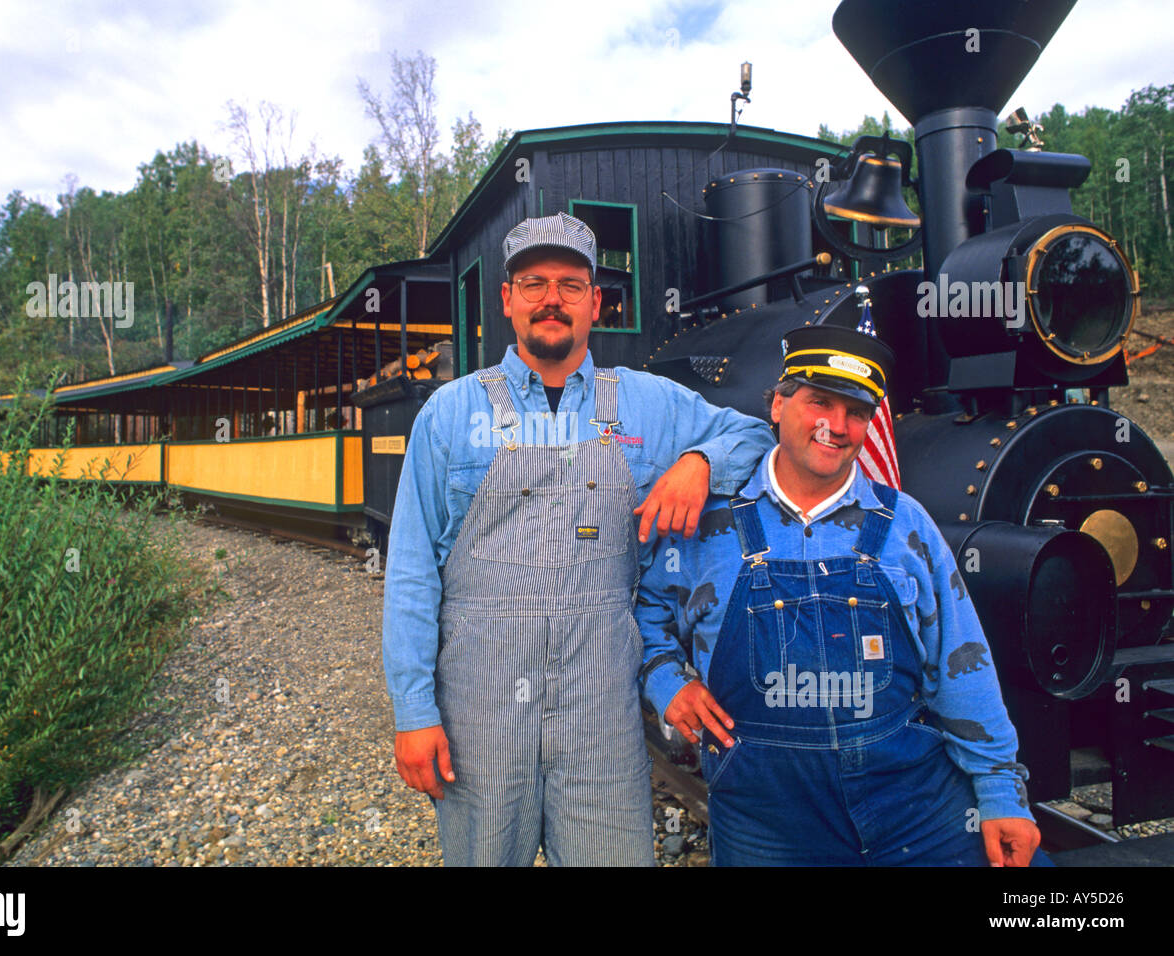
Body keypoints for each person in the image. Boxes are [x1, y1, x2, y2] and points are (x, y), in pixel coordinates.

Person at [382, 212, 775, 866]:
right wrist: (413, 710)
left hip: (602, 717)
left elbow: (756, 437)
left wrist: (699, 464)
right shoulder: (449, 415)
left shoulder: (651, 403)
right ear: (507, 300)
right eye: (533, 282)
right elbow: (411, 574)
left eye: (570, 284)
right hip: (481, 717)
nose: (551, 299)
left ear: (596, 302)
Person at [636, 324, 1048, 866]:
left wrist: (1001, 795)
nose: (837, 426)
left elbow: (961, 665)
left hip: (910, 802)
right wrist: (668, 683)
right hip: (767, 818)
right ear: (778, 405)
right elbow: (645, 613)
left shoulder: (905, 525)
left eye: (855, 411)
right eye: (819, 402)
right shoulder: (707, 524)